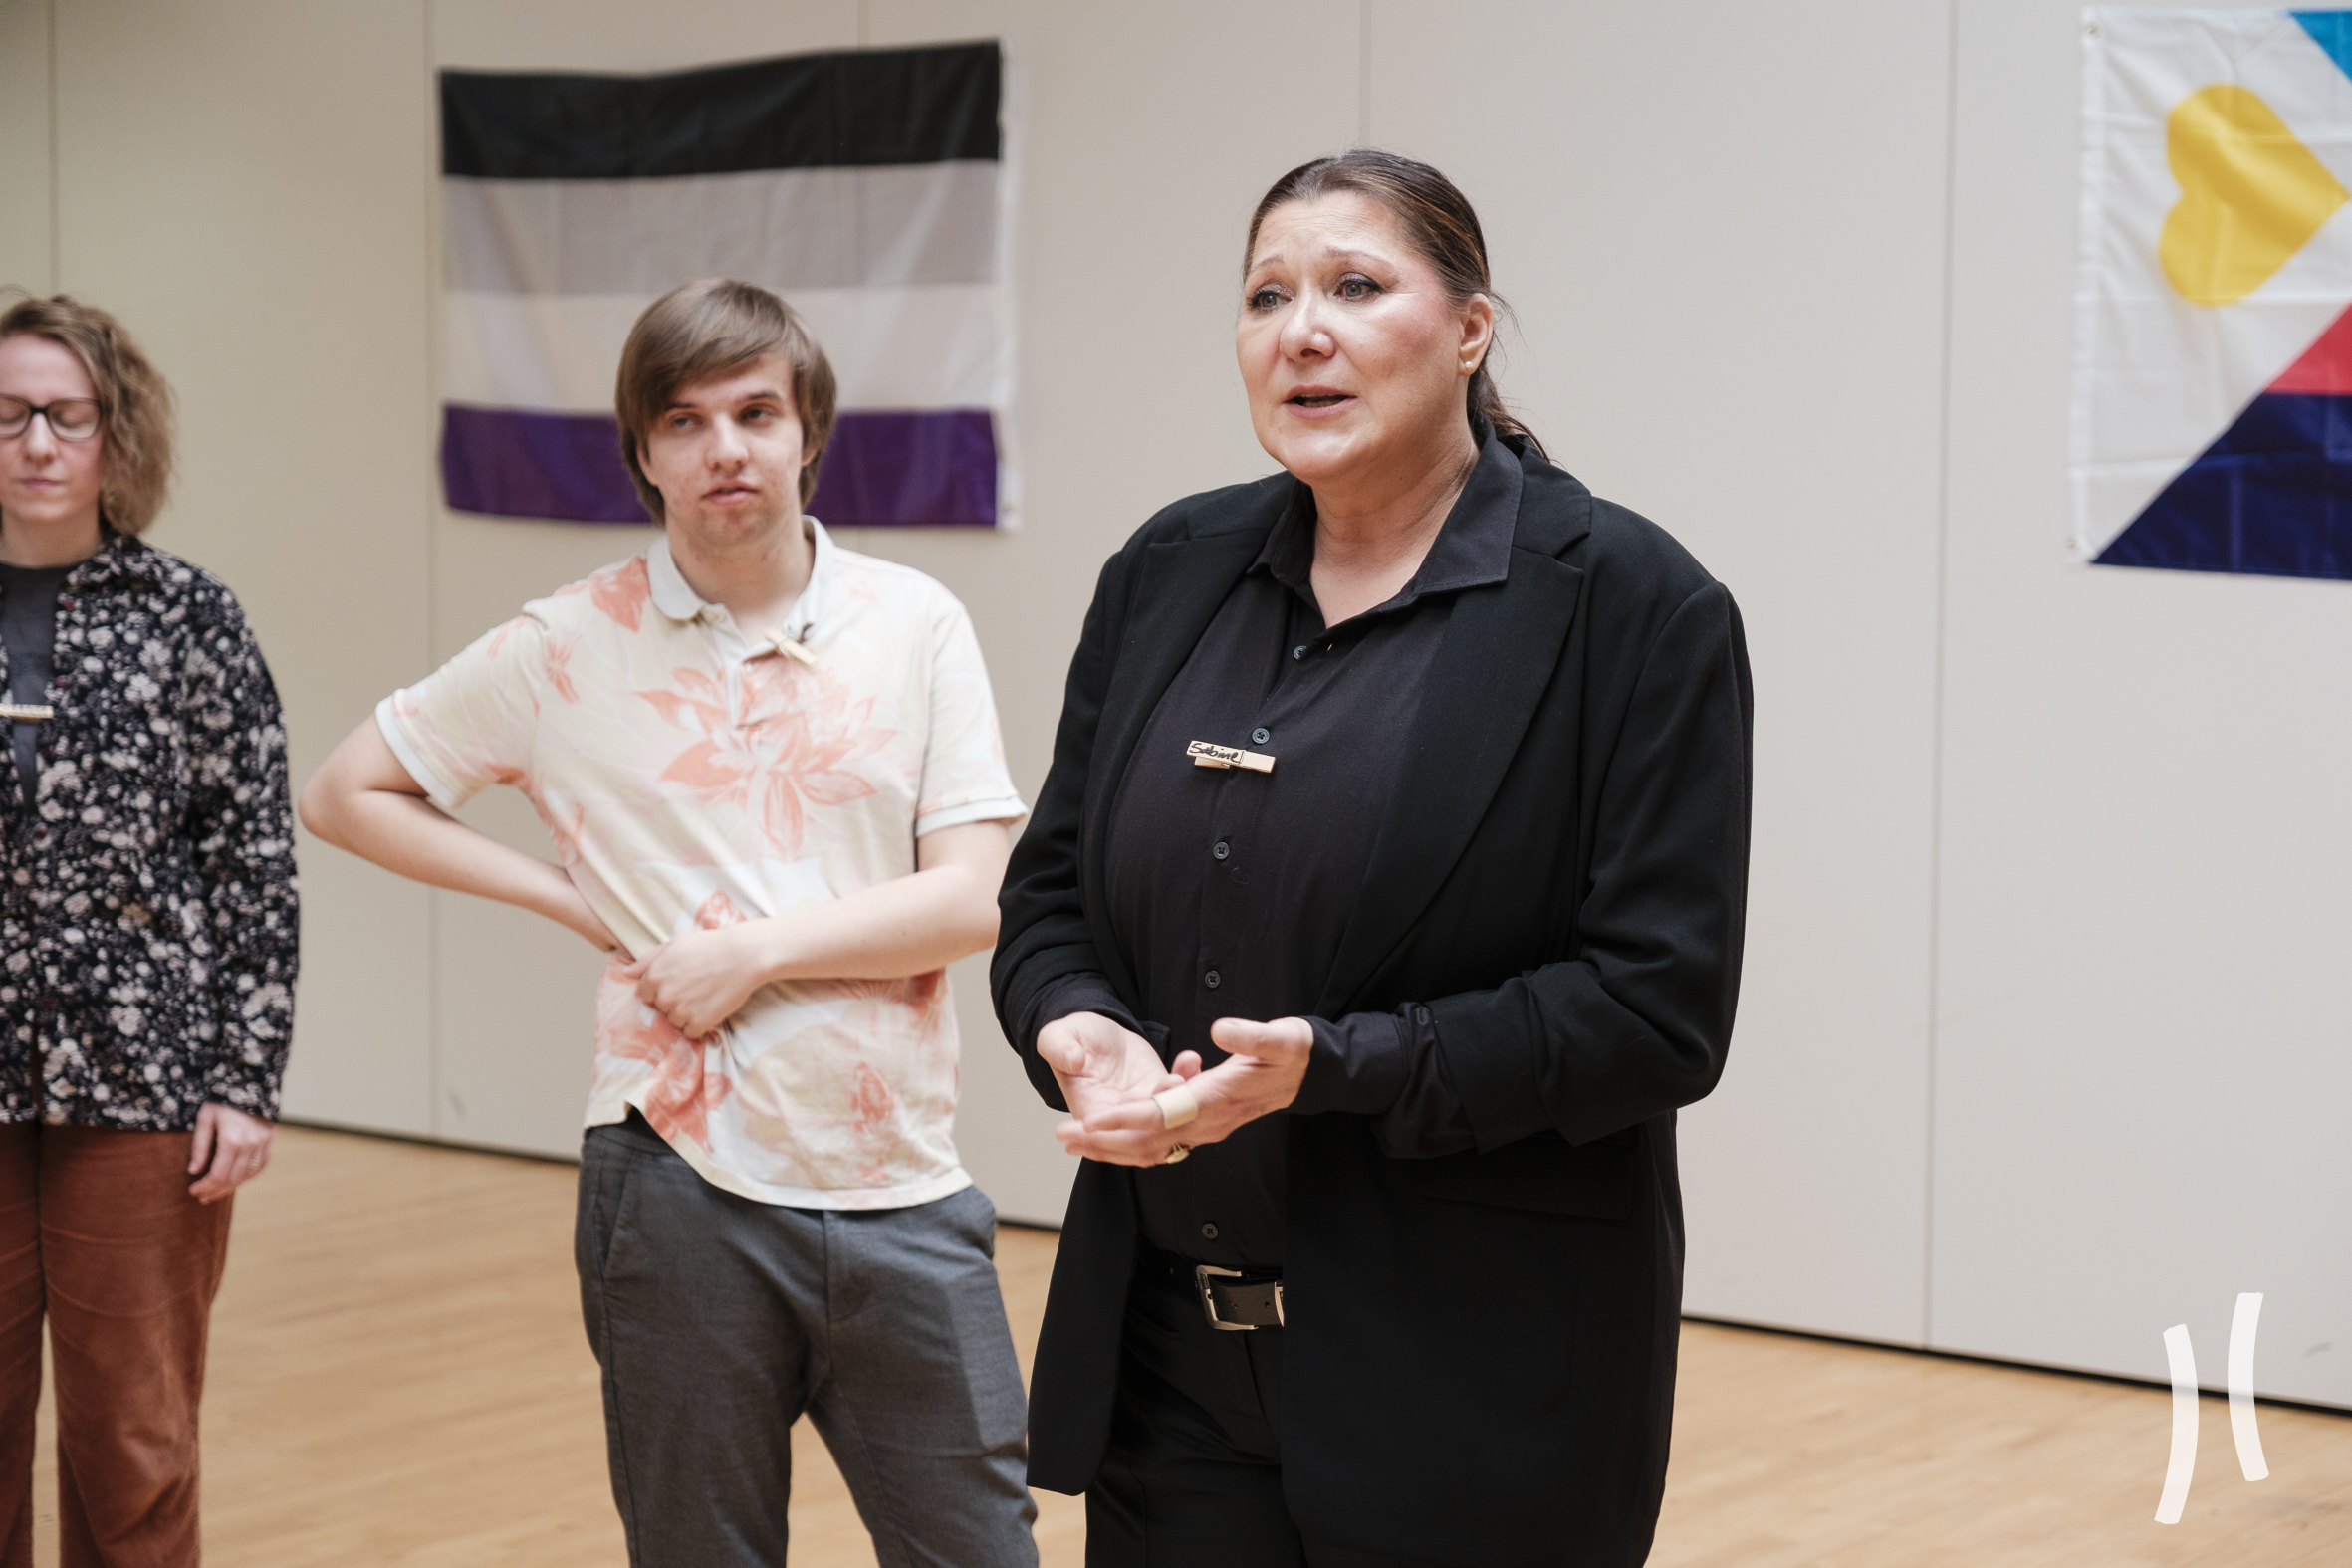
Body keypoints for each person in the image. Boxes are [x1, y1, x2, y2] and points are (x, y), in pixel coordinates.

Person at [992, 150, 1754, 1567]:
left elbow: (1655, 1011)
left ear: (1469, 328)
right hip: (1168, 1371)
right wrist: (1075, 1021)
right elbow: (1047, 894)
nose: (1302, 331)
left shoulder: (1634, 606)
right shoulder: (1167, 568)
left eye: (1354, 286)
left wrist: (1338, 1066)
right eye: (1265, 295)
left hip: (1472, 1377)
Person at [302, 278, 1038, 1568]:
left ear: (808, 430)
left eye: (755, 412)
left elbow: (968, 899)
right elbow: (343, 791)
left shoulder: (913, 622)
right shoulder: (563, 646)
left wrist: (754, 951)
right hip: (674, 1180)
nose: (724, 449)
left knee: (978, 1545)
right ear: (644, 453)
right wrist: (568, 899)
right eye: (684, 421)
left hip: (898, 1177)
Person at [0, 292, 297, 1566]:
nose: (37, 442)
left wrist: (245, 1079)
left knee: (134, 1435)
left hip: (143, 1082)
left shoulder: (190, 618)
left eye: (68, 415)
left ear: (116, 435)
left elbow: (253, 862)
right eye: (8, 414)